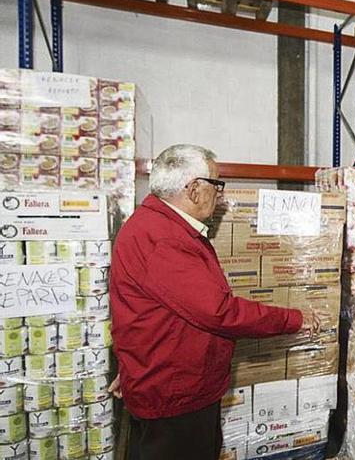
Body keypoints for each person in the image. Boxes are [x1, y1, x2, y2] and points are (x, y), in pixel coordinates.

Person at [108, 144, 325, 460]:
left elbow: (141, 311)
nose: (220, 194)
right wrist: (295, 318)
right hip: (176, 395)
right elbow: (220, 312)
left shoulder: (156, 227)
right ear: (194, 189)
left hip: (164, 383)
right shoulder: (165, 239)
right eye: (217, 184)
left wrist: (132, 366)